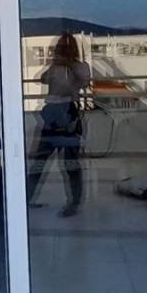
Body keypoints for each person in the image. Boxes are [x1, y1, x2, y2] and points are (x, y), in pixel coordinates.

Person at [26, 32, 91, 217]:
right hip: (57, 113)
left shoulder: (78, 67)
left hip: (66, 112)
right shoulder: (58, 67)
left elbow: (83, 82)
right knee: (45, 161)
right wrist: (56, 65)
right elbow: (43, 79)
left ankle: (74, 203)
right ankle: (28, 199)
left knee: (68, 163)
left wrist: (66, 66)